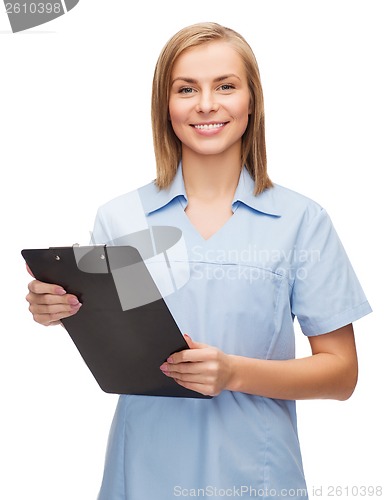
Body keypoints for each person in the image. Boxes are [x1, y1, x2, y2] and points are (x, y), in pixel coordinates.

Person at [26, 22, 371, 500]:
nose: (206, 104)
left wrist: (234, 373)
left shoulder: (302, 222)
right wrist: (59, 309)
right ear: (165, 107)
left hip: (257, 480)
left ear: (252, 101)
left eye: (225, 86)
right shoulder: (120, 218)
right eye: (186, 89)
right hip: (142, 476)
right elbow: (117, 340)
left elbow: (341, 374)